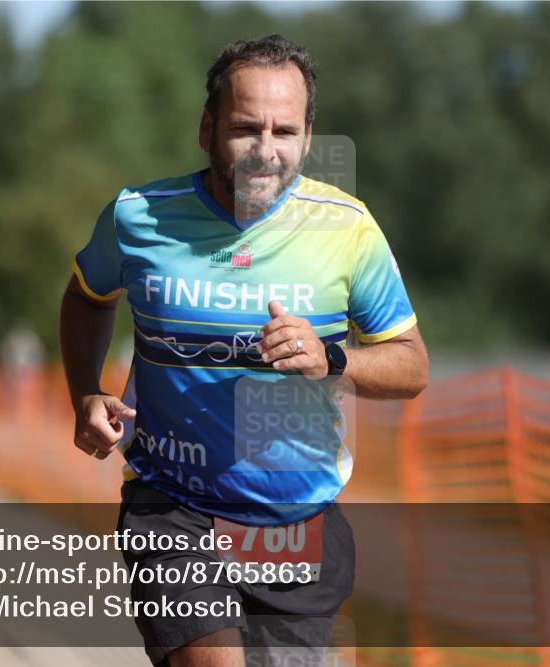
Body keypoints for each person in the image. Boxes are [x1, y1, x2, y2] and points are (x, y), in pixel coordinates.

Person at [59, 34, 429, 667]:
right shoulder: (139, 217)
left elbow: (412, 364)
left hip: (296, 522)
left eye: (284, 131)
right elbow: (88, 296)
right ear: (207, 129)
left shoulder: (348, 229)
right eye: (244, 128)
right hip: (172, 504)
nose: (265, 151)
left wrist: (332, 360)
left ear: (308, 137)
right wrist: (86, 392)